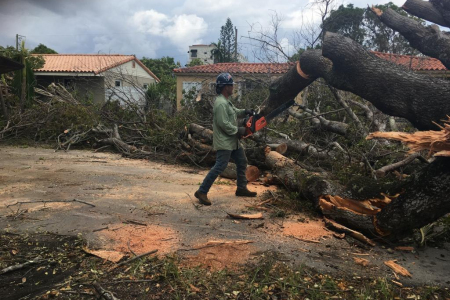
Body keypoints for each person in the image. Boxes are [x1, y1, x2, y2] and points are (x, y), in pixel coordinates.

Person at [194, 72, 257, 205]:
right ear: (225, 87)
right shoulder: (221, 103)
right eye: (230, 85)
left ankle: (241, 188)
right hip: (225, 141)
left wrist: (246, 111)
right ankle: (202, 191)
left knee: (242, 161)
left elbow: (234, 111)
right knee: (220, 166)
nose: (232, 87)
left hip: (233, 141)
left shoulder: (226, 102)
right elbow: (223, 124)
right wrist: (238, 130)